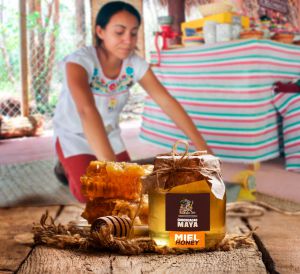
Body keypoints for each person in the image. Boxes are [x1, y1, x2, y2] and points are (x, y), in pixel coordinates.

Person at [53, 1, 212, 202]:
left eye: (134, 32)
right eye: (119, 32)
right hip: (74, 135)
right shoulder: (78, 62)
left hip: (108, 135)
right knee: (93, 195)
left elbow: (167, 102)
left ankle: (87, 166)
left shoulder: (134, 64)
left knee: (129, 190)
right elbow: (86, 110)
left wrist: (203, 150)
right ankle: (65, 166)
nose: (128, 40)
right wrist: (113, 170)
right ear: (100, 32)